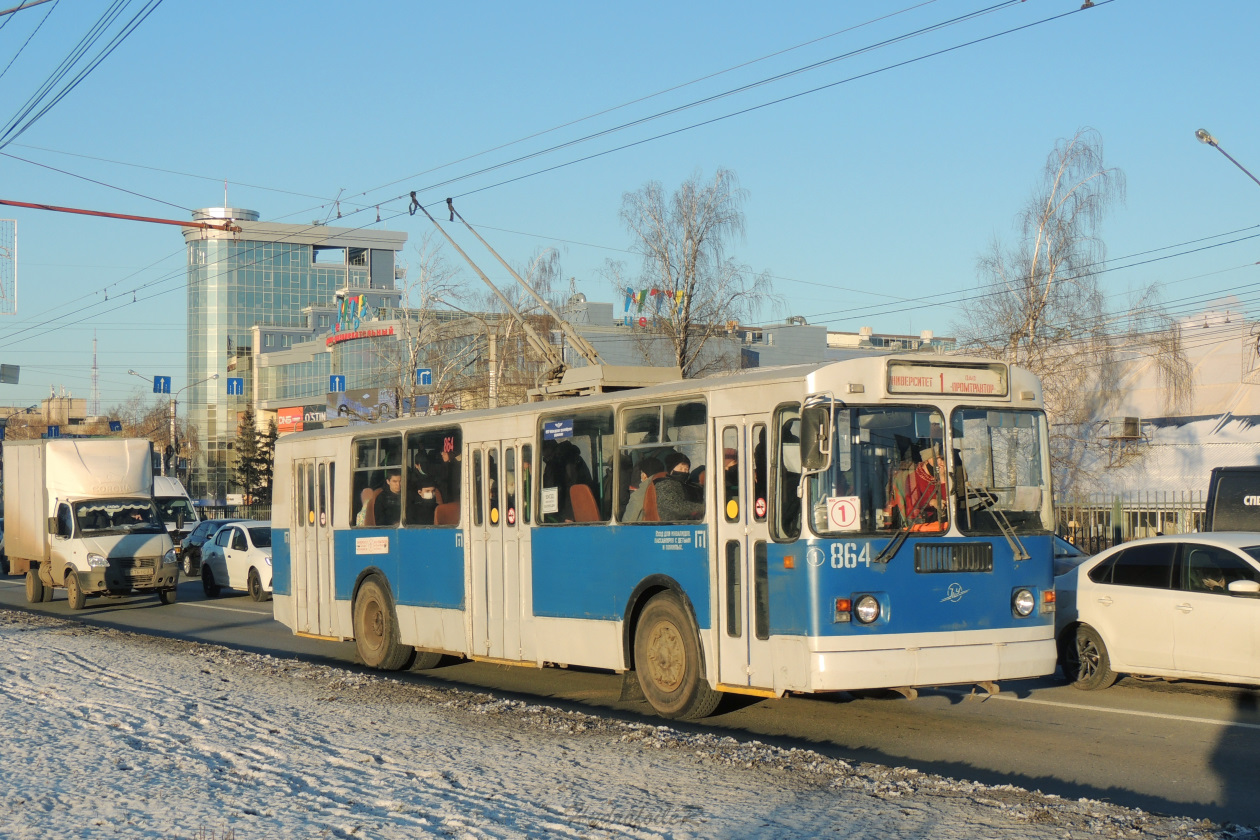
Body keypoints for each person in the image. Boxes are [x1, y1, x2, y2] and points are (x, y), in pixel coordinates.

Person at [654, 452, 704, 521]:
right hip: (673, 524)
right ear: (671, 470)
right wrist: (703, 508)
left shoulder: (690, 485)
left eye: (686, 469)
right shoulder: (665, 484)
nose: (684, 472)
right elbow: (676, 506)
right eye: (680, 468)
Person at [622, 456, 664, 523]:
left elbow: (627, 522)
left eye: (641, 473)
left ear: (644, 475)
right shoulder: (669, 487)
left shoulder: (638, 495)